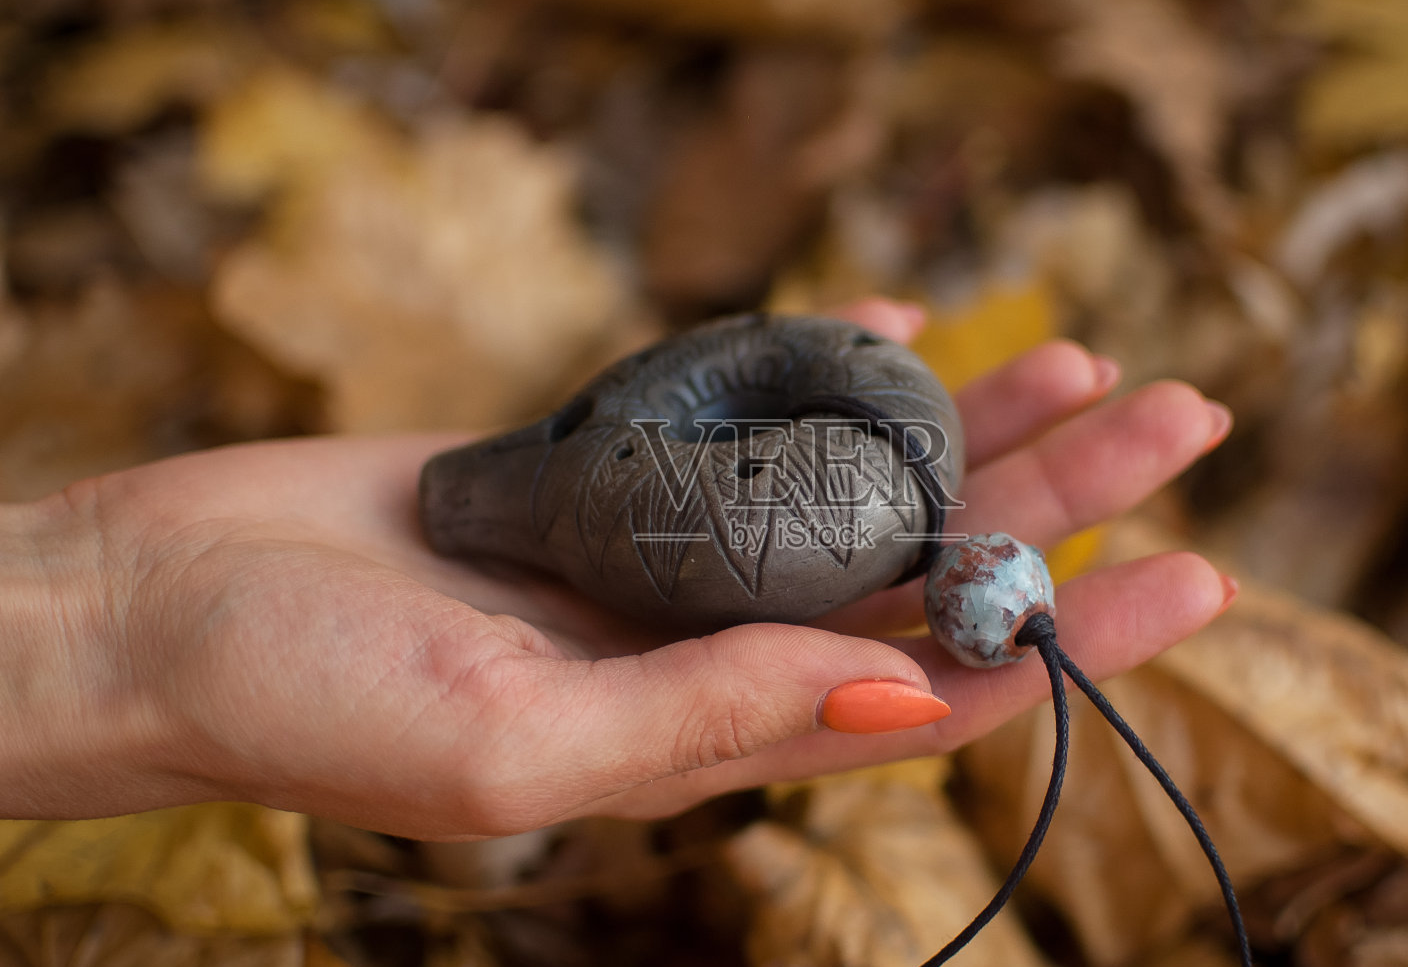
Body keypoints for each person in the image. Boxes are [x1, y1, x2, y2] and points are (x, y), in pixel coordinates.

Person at [0, 301, 1234, 840]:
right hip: (642, 476)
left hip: (694, 470)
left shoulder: (891, 467)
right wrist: (111, 623)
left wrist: (114, 614)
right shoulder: (904, 455)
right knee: (503, 491)